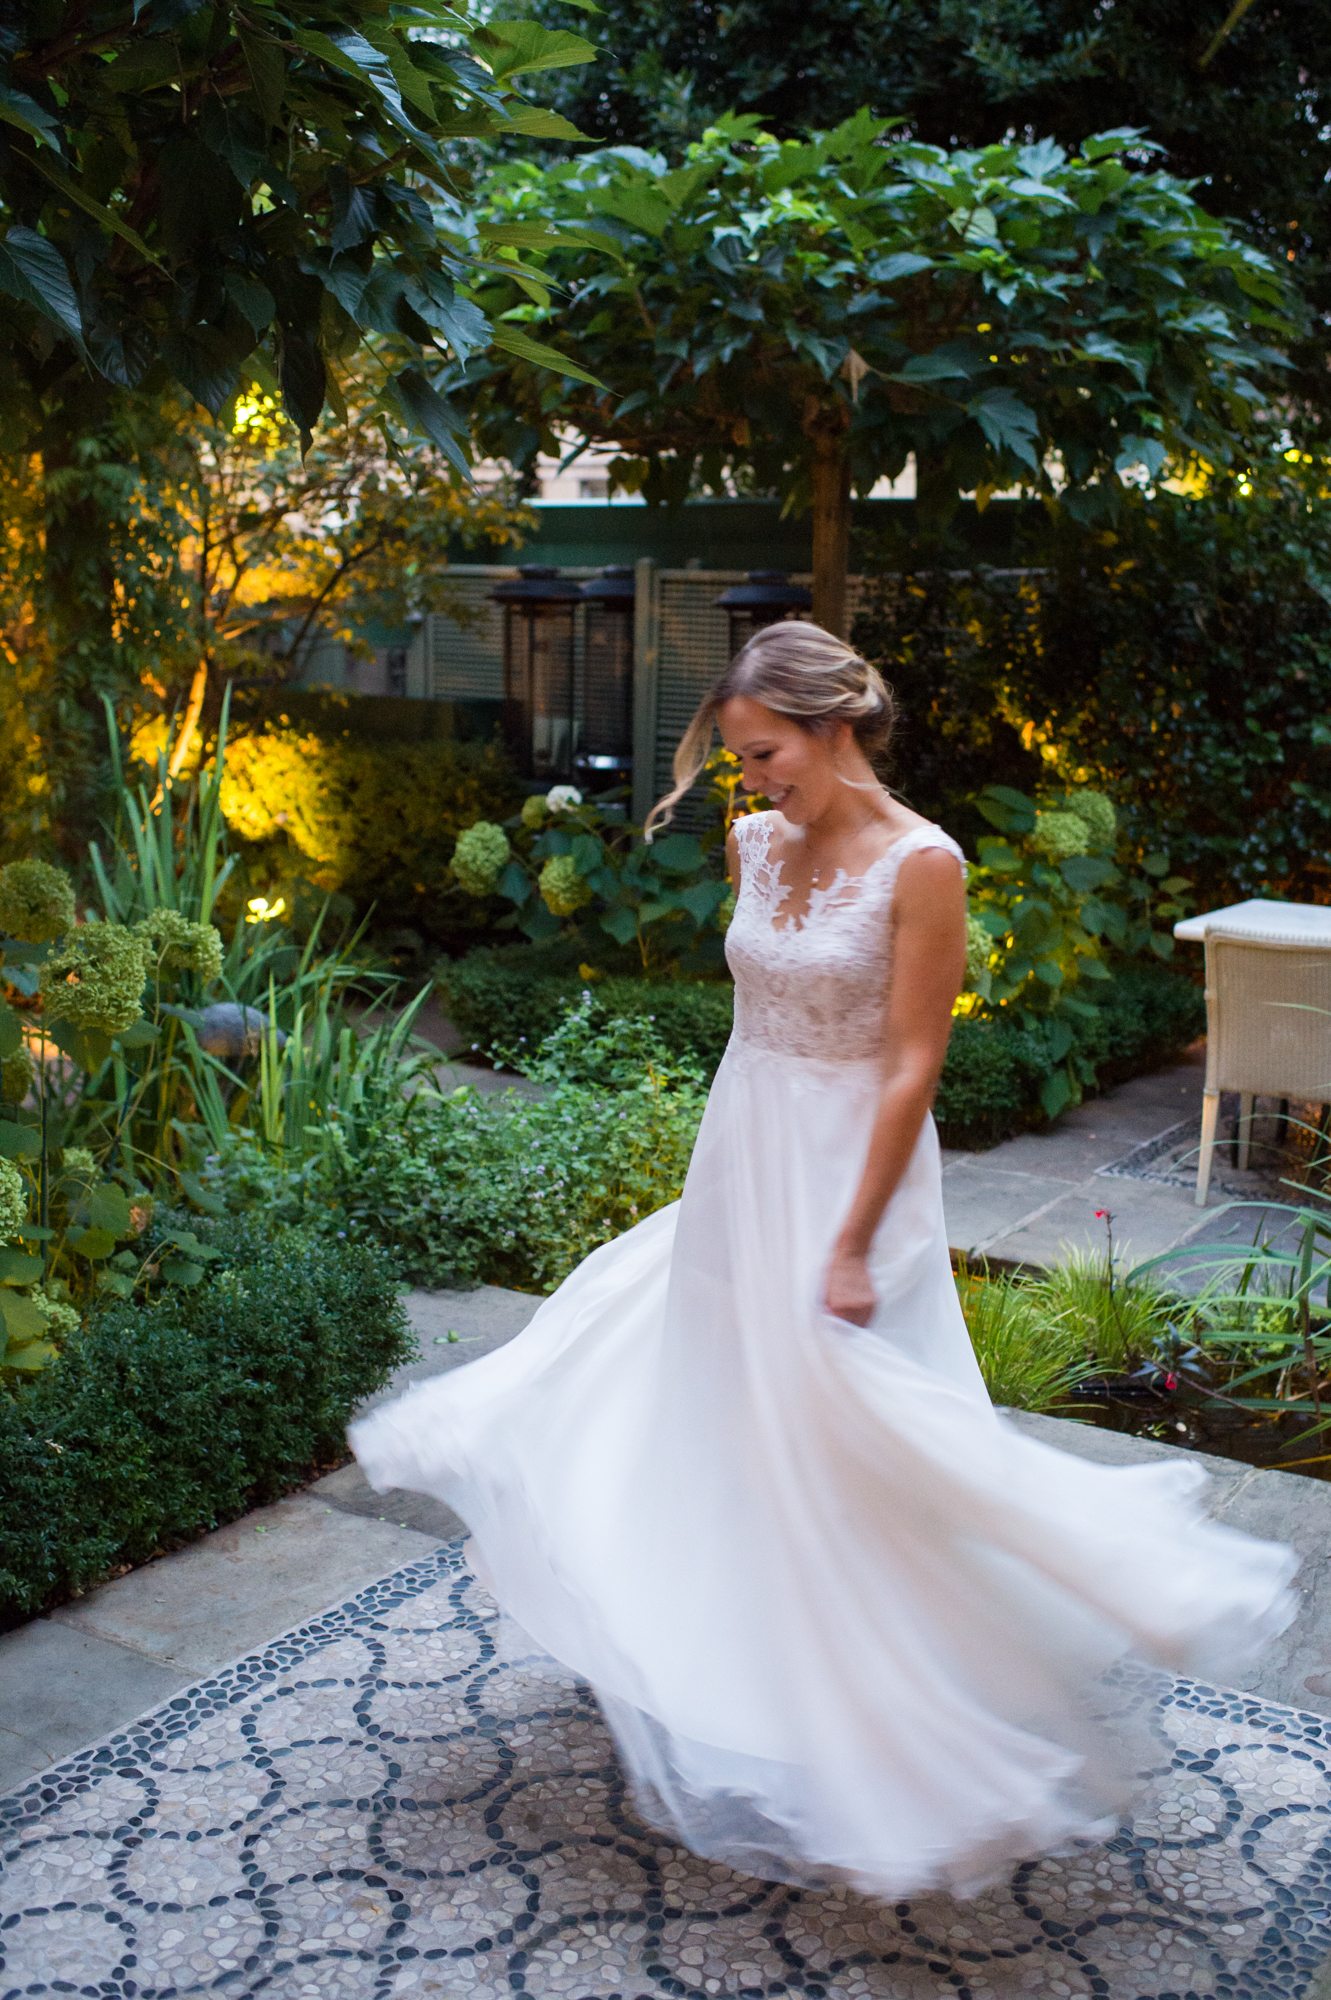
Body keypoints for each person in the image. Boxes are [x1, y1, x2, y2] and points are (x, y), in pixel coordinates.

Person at [351, 621, 1295, 1899]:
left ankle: (905, 1691)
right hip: (745, 1145)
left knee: (858, 1427)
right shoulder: (751, 839)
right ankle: (734, 1661)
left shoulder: (923, 863)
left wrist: (849, 1239)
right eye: (738, 758)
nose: (748, 780)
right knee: (720, 1401)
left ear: (832, 726)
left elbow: (911, 1063)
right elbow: (759, 1011)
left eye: (763, 752)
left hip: (853, 1167)